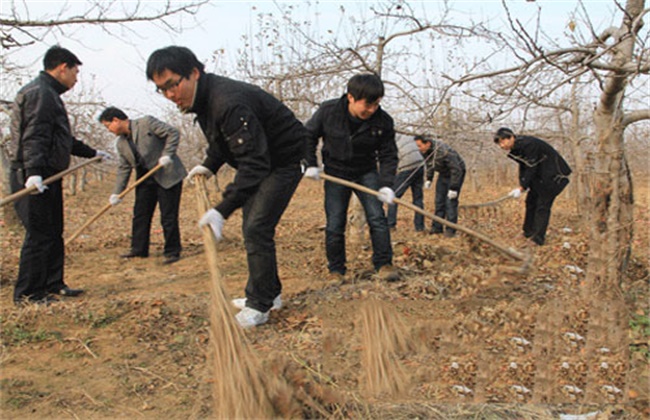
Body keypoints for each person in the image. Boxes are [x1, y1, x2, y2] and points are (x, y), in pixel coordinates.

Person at [145, 46, 308, 328]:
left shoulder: (227, 101)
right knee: (253, 225)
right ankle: (269, 292)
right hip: (264, 159)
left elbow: (254, 163)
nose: (170, 95)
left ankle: (260, 305)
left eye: (173, 84)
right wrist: (209, 164)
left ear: (194, 73)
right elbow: (223, 139)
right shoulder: (205, 99)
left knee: (257, 226)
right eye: (162, 89)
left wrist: (222, 209)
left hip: (285, 160)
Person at [8, 45, 112, 305]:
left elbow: (61, 138)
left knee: (54, 231)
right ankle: (29, 294)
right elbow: (36, 134)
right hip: (33, 175)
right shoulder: (40, 93)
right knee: (40, 234)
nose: (76, 79)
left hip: (48, 174)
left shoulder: (50, 95)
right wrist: (32, 173)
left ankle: (53, 283)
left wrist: (92, 151)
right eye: (75, 72)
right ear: (62, 67)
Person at [303, 73, 399, 282]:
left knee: (377, 218)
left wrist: (386, 185)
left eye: (376, 104)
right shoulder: (328, 112)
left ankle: (384, 265)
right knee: (335, 222)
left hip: (366, 172)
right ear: (351, 98)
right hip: (336, 173)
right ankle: (336, 271)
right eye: (367, 104)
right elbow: (308, 135)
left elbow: (388, 155)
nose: (372, 110)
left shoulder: (383, 121)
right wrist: (310, 163)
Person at [98, 107, 187, 265]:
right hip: (145, 179)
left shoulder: (146, 123)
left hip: (166, 174)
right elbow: (124, 168)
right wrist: (117, 193)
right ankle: (139, 249)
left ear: (116, 120)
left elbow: (173, 133)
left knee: (168, 215)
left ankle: (172, 251)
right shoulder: (121, 144)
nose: (108, 130)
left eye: (107, 126)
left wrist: (167, 154)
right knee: (140, 214)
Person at [493, 127, 572, 246]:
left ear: (510, 137)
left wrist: (522, 186)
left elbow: (531, 166)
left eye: (502, 142)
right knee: (530, 202)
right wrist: (522, 185)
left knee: (542, 206)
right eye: (499, 143)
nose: (501, 146)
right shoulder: (518, 147)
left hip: (554, 177)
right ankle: (528, 232)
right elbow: (524, 166)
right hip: (540, 178)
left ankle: (538, 239)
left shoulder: (529, 144)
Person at [414, 135, 466, 238]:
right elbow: (429, 164)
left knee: (450, 202)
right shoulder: (424, 152)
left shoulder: (444, 152)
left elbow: (456, 169)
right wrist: (429, 179)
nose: (418, 148)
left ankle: (450, 231)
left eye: (420, 146)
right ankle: (437, 228)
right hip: (443, 174)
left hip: (456, 173)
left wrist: (454, 188)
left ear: (427, 143)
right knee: (439, 201)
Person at [387, 134, 425, 232]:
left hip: (407, 167)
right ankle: (420, 227)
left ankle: (390, 225)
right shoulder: (407, 137)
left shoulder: (388, 141)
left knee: (393, 197)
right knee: (418, 198)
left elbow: (391, 161)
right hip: (420, 165)